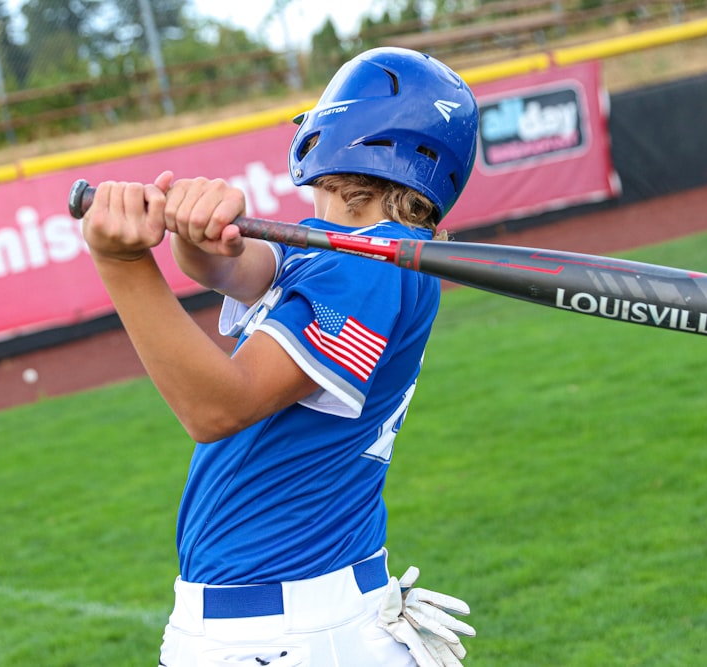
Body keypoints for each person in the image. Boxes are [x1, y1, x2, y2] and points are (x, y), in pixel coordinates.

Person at [80, 47, 480, 666]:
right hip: (296, 621)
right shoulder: (355, 254)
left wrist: (123, 263)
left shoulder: (372, 266)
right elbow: (234, 267)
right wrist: (200, 230)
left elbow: (218, 406)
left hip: (284, 634)